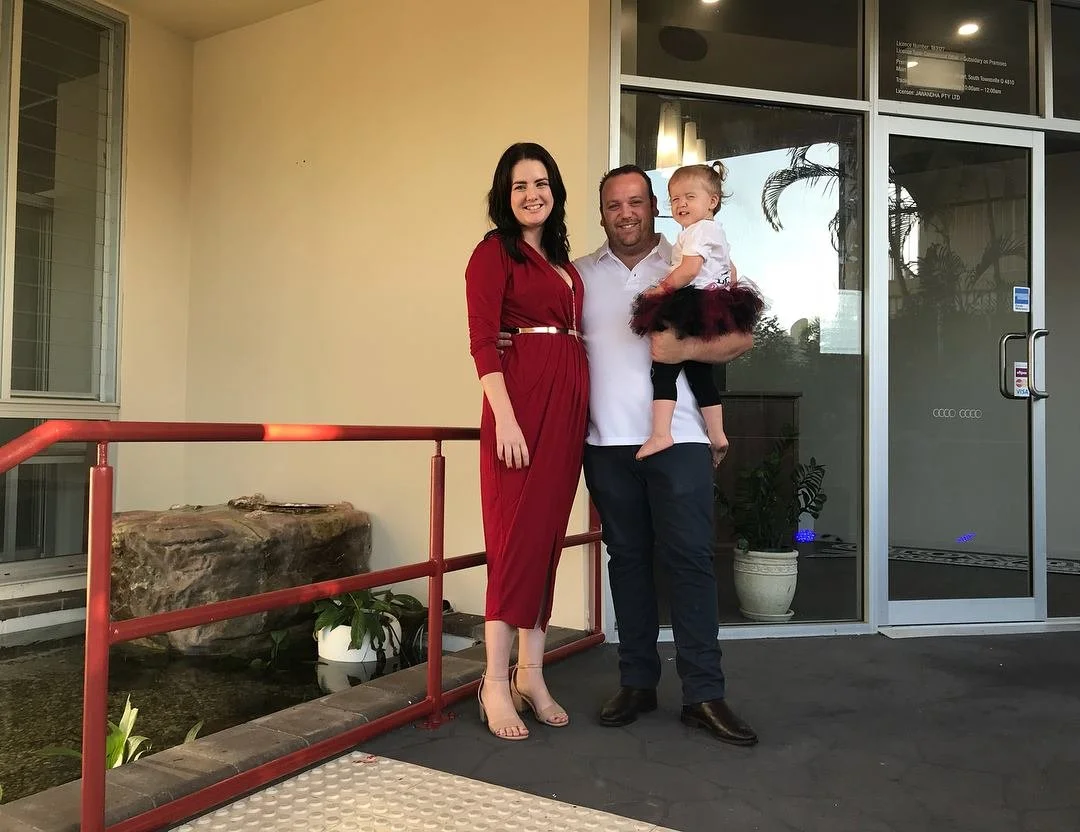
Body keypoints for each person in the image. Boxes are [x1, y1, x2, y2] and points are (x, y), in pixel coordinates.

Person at [577, 164, 758, 746]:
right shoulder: (577, 277)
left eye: (635, 202)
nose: (625, 212)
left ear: (654, 206)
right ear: (602, 212)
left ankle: (704, 694)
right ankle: (637, 681)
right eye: (613, 204)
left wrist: (685, 346)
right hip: (606, 442)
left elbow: (744, 337)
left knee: (689, 563)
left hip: (679, 438)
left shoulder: (692, 257)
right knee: (626, 561)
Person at [464, 142, 589, 742]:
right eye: (520, 186)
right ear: (504, 195)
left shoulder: (563, 261)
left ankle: (531, 673)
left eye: (541, 183)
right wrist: (506, 420)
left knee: (546, 540)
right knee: (513, 540)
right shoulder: (493, 253)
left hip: (565, 410)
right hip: (519, 409)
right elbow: (484, 342)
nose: (532, 193)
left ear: (555, 191)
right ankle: (493, 680)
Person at [629, 162, 764, 461]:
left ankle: (661, 433)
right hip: (713, 303)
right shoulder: (716, 231)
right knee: (702, 376)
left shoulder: (696, 232)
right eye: (675, 199)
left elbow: (689, 270)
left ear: (712, 202)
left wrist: (661, 289)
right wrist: (727, 294)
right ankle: (717, 435)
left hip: (691, 303)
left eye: (689, 197)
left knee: (663, 368)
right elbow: (730, 269)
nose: (681, 204)